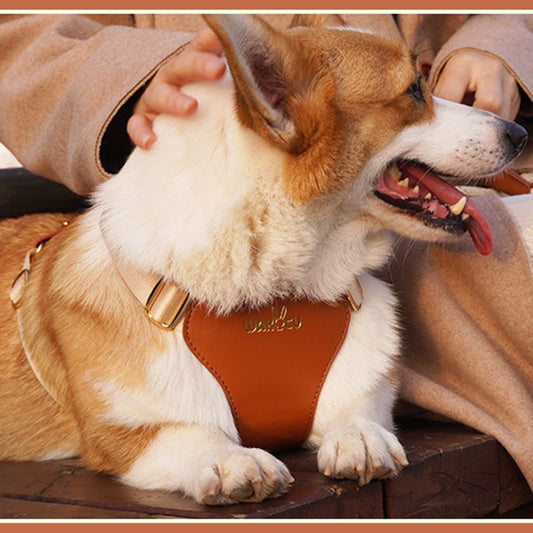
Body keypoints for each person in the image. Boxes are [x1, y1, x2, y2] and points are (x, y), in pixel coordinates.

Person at [2, 12, 533, 490]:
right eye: (414, 90)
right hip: (211, 202)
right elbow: (16, 32)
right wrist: (140, 80)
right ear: (274, 96)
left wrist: (495, 39)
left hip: (366, 256)